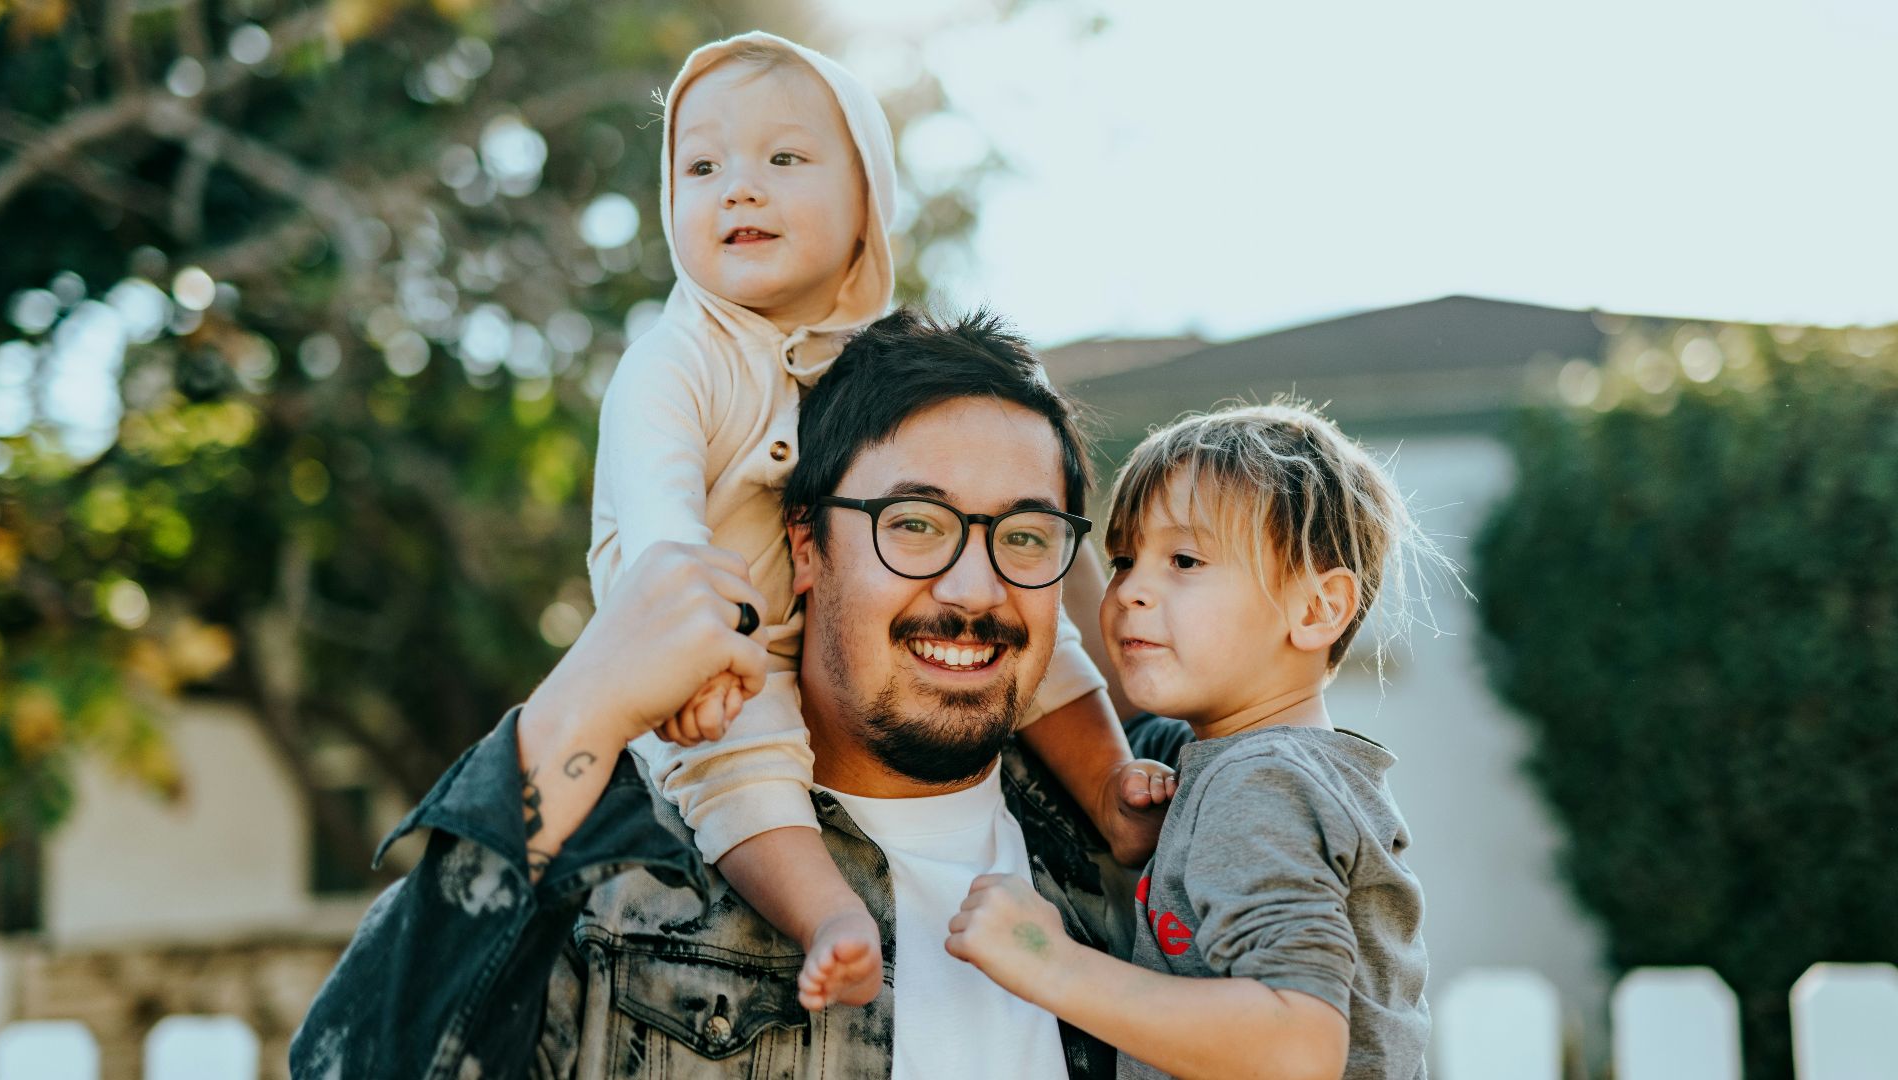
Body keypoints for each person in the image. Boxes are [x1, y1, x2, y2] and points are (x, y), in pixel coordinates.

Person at [291, 308, 1163, 1080]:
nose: (974, 590)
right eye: (913, 525)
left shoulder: (1159, 848)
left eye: (1023, 535)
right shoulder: (624, 883)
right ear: (807, 545)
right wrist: (584, 698)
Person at [587, 31, 1171, 1012]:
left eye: (783, 159)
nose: (739, 187)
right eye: (702, 166)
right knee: (742, 768)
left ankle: (1113, 791)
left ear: (868, 202)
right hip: (711, 653)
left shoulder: (882, 364)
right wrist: (694, 656)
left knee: (1035, 629)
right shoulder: (675, 361)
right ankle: (829, 916)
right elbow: (660, 530)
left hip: (806, 633)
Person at [947, 402, 1439, 1079]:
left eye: (1183, 559)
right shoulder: (1255, 767)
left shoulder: (1260, 783)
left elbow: (1297, 1048)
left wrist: (1048, 962)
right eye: (1123, 559)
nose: (1130, 593)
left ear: (1318, 608)